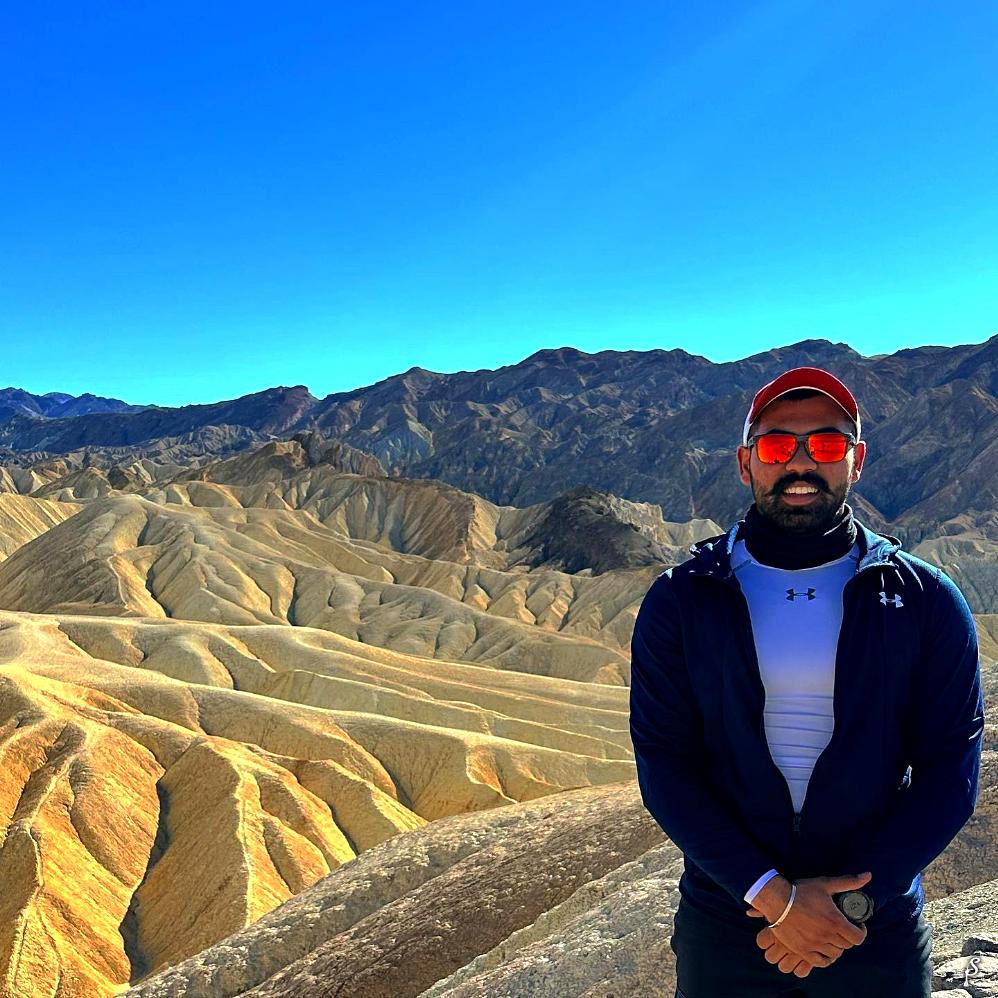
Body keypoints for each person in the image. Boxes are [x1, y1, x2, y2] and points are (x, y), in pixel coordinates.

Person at [628, 366, 985, 997]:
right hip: (730, 918)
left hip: (871, 922)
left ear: (857, 460)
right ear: (746, 463)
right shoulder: (683, 599)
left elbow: (950, 772)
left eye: (825, 443)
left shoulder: (925, 599)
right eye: (775, 446)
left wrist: (850, 903)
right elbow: (665, 765)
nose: (800, 462)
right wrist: (776, 899)